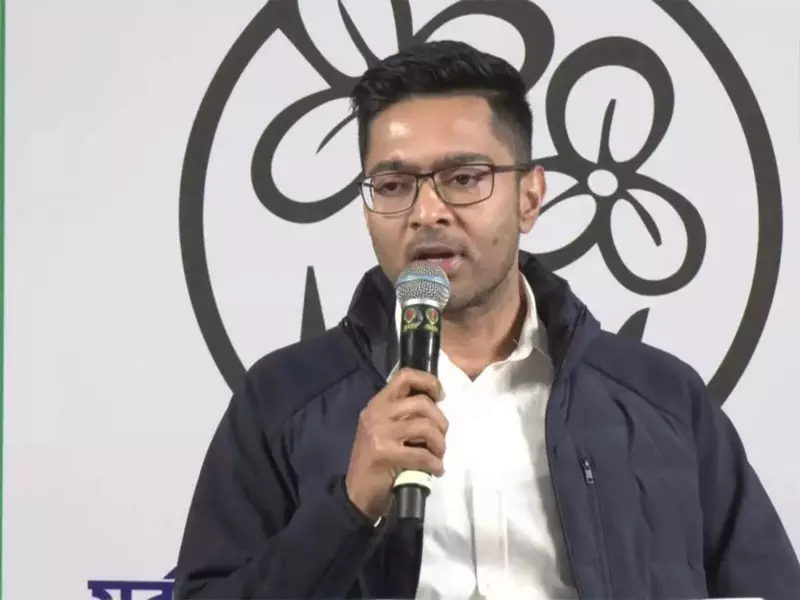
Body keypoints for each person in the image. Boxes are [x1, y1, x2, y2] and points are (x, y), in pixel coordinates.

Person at [174, 40, 800, 599]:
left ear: (530, 196)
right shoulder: (283, 398)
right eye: (393, 185)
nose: (426, 212)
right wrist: (348, 508)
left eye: (464, 178)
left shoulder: (660, 399)